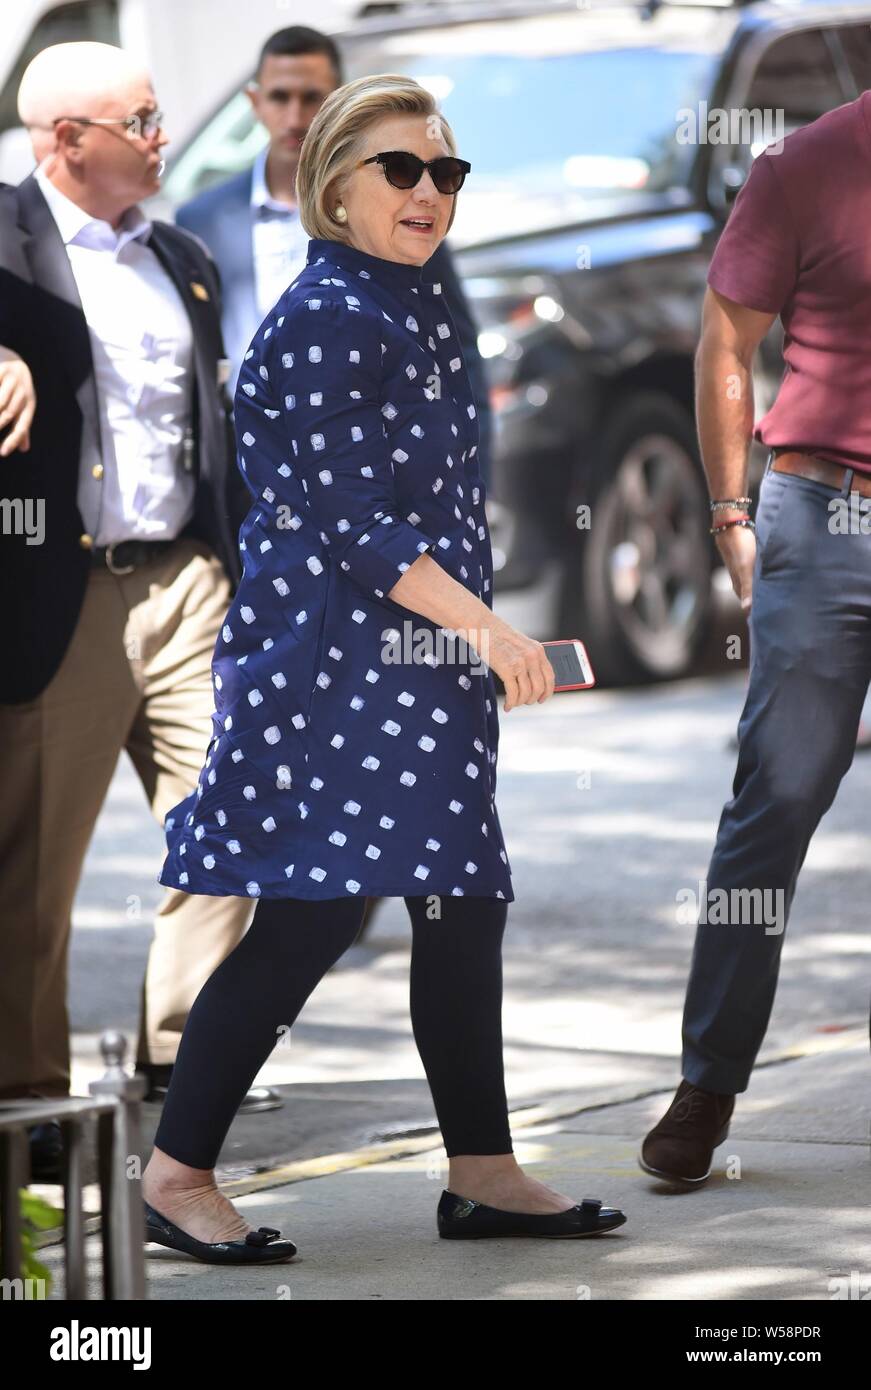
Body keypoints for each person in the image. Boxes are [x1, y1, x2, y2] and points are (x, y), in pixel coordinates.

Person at [141, 73, 627, 1261]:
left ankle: (482, 1170)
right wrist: (496, 635)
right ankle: (174, 1173)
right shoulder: (328, 318)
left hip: (412, 668)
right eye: (399, 170)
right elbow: (362, 529)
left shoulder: (404, 303)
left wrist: (469, 638)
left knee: (460, 905)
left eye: (445, 173)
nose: (428, 192)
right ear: (334, 190)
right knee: (311, 914)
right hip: (330, 673)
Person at [0, 42, 282, 1175]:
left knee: (236, 828)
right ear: (67, 140)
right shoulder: (6, 248)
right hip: (54, 592)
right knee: (28, 877)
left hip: (185, 582)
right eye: (145, 118)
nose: (166, 135)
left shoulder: (182, 255)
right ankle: (28, 1112)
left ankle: (183, 1066)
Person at [641, 90, 871, 1185]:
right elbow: (725, 338)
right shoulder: (805, 166)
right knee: (775, 799)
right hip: (823, 513)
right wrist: (730, 511)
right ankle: (707, 1081)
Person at [174, 24, 493, 489]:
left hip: (376, 474)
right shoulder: (202, 219)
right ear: (254, 102)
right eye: (280, 97)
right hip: (250, 479)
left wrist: (475, 479)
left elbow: (457, 352)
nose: (295, 116)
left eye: (312, 98)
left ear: (339, 101)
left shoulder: (397, 212)